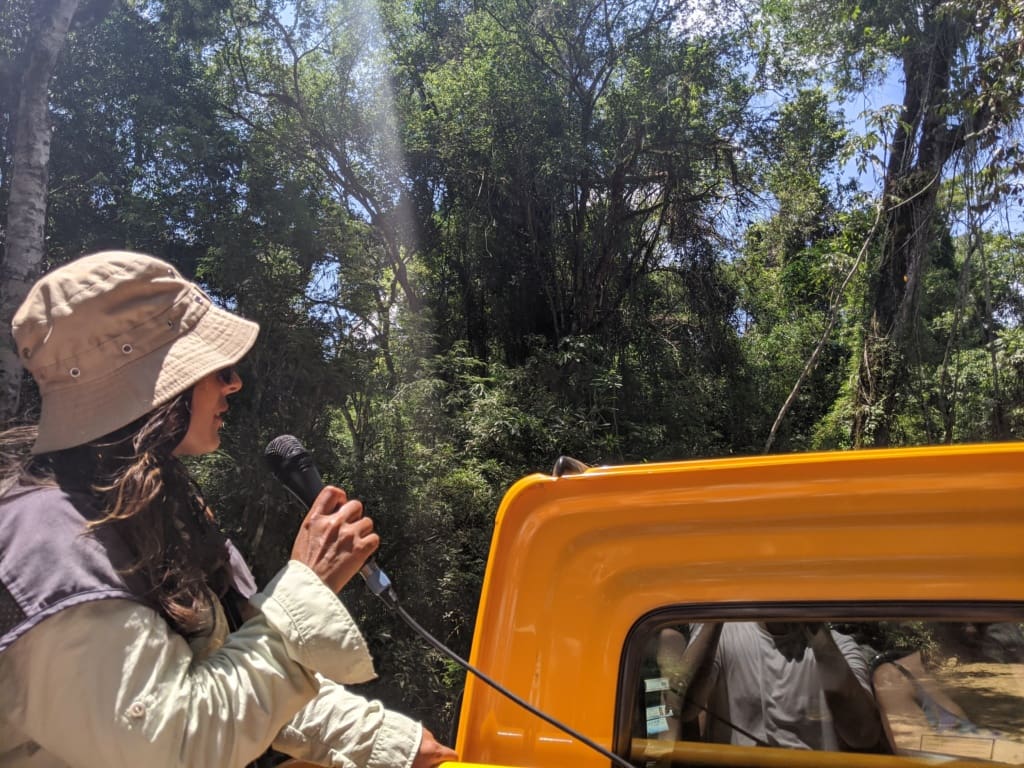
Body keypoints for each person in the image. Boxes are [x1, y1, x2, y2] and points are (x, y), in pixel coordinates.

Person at [0, 251, 459, 768]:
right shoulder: (53, 544)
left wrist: (386, 745)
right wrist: (305, 586)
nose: (232, 382)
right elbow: (174, 745)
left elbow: (233, 664)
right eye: (214, 369)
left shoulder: (150, 504)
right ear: (151, 387)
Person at [656, 621, 883, 752]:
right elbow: (681, 707)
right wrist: (717, 615)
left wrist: (816, 628)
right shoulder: (725, 634)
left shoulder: (839, 647)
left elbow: (862, 735)